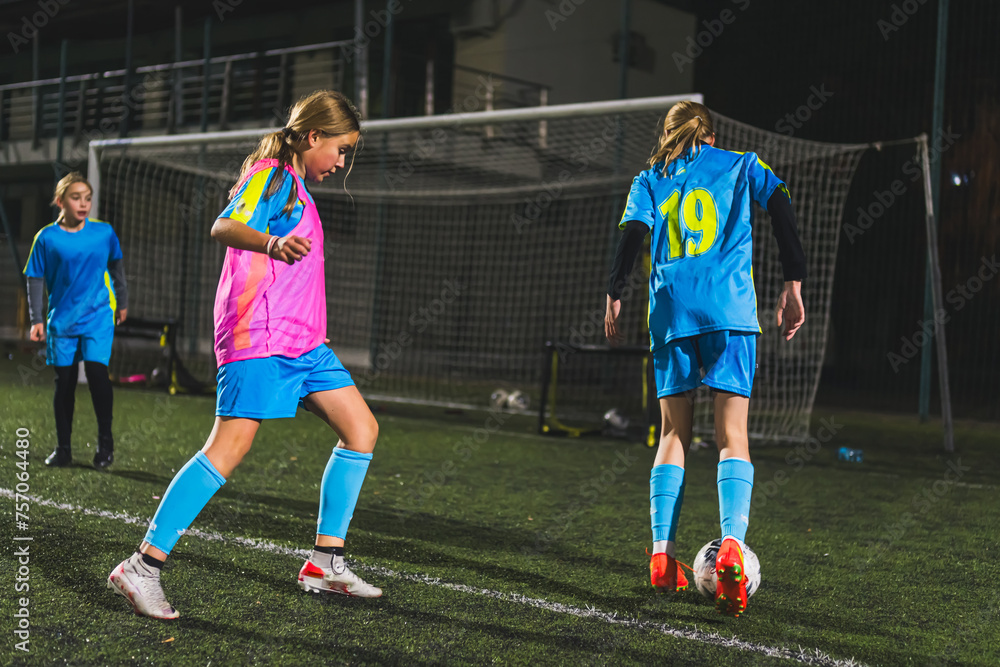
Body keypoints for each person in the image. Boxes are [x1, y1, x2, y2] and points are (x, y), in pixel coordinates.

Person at [108, 90, 381, 620]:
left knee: (362, 430)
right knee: (227, 448)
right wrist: (274, 245)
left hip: (304, 345)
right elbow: (222, 226)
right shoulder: (273, 176)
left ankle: (326, 562)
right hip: (259, 336)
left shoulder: (296, 185)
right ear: (313, 136)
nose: (342, 162)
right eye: (341, 150)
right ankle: (142, 566)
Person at [604, 101, 805, 617]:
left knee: (673, 434)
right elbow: (780, 204)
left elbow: (631, 237)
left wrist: (615, 291)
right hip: (730, 312)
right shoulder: (741, 163)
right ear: (711, 137)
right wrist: (793, 282)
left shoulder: (648, 179)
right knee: (732, 436)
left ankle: (661, 557)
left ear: (669, 137)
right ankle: (731, 545)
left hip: (671, 315)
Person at [24, 172, 128, 470]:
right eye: (75, 197)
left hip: (98, 317)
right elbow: (34, 278)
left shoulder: (104, 233)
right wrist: (35, 319)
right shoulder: (46, 238)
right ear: (60, 201)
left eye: (87, 197)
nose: (83, 203)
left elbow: (117, 268)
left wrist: (123, 301)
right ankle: (64, 449)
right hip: (63, 323)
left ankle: (105, 447)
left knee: (98, 377)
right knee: (65, 383)